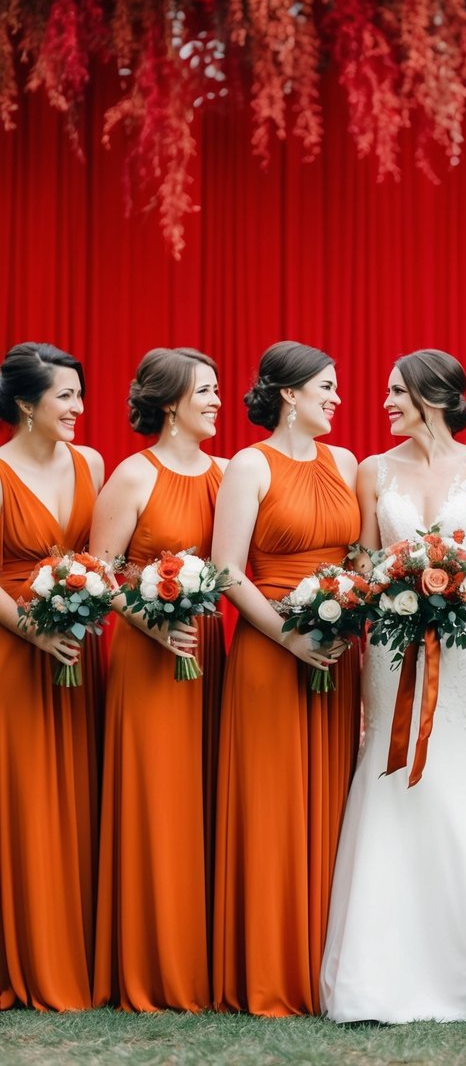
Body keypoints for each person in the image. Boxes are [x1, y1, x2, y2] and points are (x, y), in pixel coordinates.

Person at [320, 349, 466, 1023]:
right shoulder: (372, 471)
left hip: (461, 651)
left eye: (397, 391)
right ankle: (378, 974)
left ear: (434, 395)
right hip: (390, 649)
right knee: (388, 771)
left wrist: (456, 593)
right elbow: (362, 563)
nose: (386, 401)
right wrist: (390, 592)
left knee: (456, 773)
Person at [212, 341, 361, 1016]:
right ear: (290, 394)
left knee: (332, 803)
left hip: (336, 652)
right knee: (273, 808)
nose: (336, 398)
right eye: (325, 387)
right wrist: (288, 636)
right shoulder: (250, 464)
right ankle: (271, 969)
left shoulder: (346, 462)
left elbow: (359, 557)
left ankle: (327, 966)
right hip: (273, 653)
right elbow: (226, 569)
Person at [92, 348, 226, 1012]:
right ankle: (153, 962)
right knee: (157, 802)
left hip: (211, 657)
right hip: (149, 660)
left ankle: (205, 959)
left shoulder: (230, 473)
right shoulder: (131, 476)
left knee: (205, 796)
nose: (217, 402)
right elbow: (101, 572)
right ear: (170, 401)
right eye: (205, 391)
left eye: (219, 390)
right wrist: (153, 626)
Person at [0, 341, 104, 1010]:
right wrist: (32, 631)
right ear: (24, 403)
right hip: (16, 648)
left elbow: (100, 558)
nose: (78, 408)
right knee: (25, 796)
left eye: (78, 394)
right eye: (64, 396)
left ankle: (81, 950)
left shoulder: (91, 461)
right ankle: (27, 953)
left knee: (81, 791)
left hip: (80, 648)